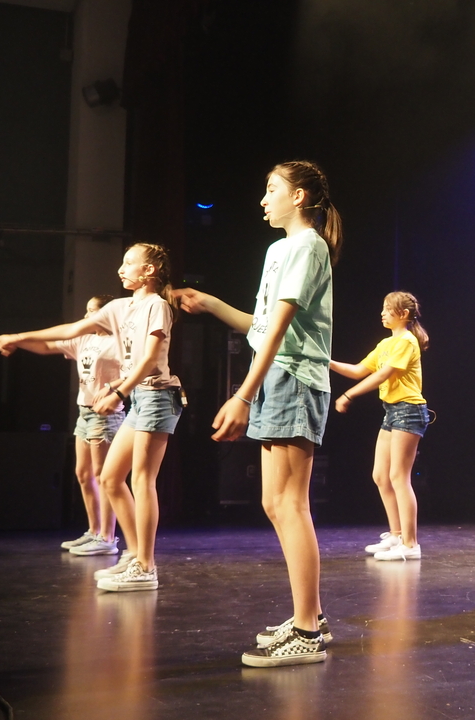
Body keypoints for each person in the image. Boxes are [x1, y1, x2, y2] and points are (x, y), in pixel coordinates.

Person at [173, 160, 341, 668]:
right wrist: (210, 303)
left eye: (272, 190)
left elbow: (281, 329)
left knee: (291, 504)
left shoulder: (308, 246)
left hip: (294, 379)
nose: (264, 200)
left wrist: (242, 396)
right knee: (274, 501)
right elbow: (261, 324)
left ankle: (308, 631)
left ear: (300, 196)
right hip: (273, 377)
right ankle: (310, 615)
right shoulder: (278, 250)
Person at [0, 243, 183, 593]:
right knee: (109, 478)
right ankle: (135, 556)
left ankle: (146, 566)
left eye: (129, 263)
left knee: (142, 480)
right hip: (139, 398)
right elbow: (70, 330)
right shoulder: (120, 307)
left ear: (149, 271)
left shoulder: (157, 306)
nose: (121, 269)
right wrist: (18, 338)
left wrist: (119, 392)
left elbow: (152, 359)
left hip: (157, 396)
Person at [0, 295, 124, 556]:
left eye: (92, 311)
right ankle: (94, 531)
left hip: (105, 415)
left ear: (106, 314)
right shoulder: (85, 339)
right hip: (84, 412)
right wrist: (16, 342)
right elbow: (47, 346)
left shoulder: (119, 343)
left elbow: (135, 372)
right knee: (83, 474)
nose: (86, 317)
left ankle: (108, 538)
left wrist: (113, 387)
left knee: (103, 476)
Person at [331, 291, 430, 561]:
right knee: (380, 476)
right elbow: (358, 370)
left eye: (388, 309)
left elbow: (384, 374)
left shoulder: (407, 341)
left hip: (409, 411)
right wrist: (326, 362)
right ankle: (396, 535)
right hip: (392, 411)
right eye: (383, 308)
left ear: (403, 314)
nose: (382, 313)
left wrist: (349, 395)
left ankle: (410, 544)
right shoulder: (385, 344)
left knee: (399, 476)